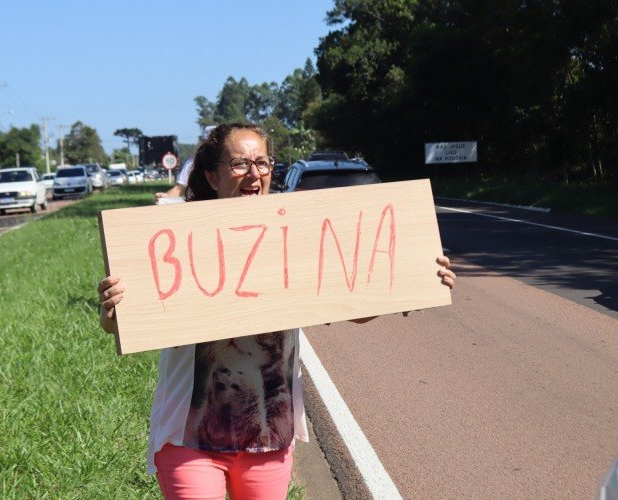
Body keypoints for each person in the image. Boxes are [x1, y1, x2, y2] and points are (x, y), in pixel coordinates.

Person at [98, 123, 456, 500]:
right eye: (239, 164)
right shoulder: (174, 232)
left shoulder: (294, 233)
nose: (254, 174)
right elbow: (118, 322)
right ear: (211, 176)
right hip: (189, 439)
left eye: (263, 162)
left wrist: (413, 280)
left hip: (269, 438)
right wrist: (112, 311)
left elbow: (355, 306)